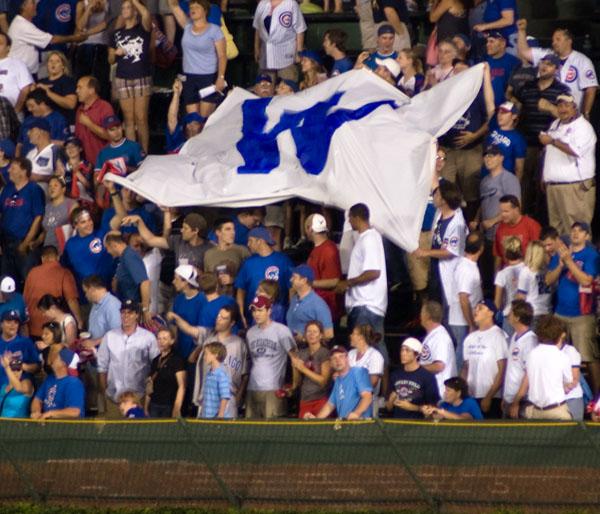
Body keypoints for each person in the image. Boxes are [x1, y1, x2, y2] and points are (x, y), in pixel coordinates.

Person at [546, 222, 600, 395]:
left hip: (582, 315)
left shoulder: (591, 255)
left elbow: (586, 280)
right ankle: (558, 394)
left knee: (588, 357)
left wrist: (569, 262)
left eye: (580, 231)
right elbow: (548, 280)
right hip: (560, 313)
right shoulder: (561, 252)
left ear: (587, 236)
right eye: (573, 230)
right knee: (555, 353)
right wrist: (561, 264)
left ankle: (596, 399)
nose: (575, 233)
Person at [513, 53, 570, 214]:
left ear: (556, 69)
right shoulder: (527, 86)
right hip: (527, 144)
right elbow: (515, 103)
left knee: (544, 190)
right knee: (524, 186)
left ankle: (541, 227)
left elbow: (569, 118)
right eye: (542, 63)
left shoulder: (562, 90)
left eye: (549, 64)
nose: (544, 66)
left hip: (550, 148)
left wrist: (551, 108)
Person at [169, 304, 248, 419]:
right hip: (207, 398)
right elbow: (190, 329)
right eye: (218, 315)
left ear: (232, 323)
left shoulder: (239, 344)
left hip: (229, 400)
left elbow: (245, 374)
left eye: (223, 317)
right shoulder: (208, 335)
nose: (218, 319)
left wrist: (238, 398)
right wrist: (176, 318)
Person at [540, 94, 596, 236]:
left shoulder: (583, 127)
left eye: (566, 105)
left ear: (574, 107)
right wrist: (544, 177)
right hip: (554, 187)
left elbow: (575, 151)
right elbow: (550, 153)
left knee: (577, 232)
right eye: (559, 105)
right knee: (557, 233)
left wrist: (553, 141)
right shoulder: (555, 124)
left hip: (574, 187)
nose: (562, 109)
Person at [516, 20, 597, 116]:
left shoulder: (582, 61)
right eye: (553, 40)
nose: (554, 43)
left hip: (570, 114)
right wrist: (521, 31)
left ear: (569, 41)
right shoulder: (546, 54)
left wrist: (586, 113)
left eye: (558, 39)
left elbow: (590, 89)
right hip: (544, 113)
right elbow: (523, 51)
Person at [97, 299, 159, 418]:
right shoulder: (109, 336)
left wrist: (148, 393)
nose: (126, 316)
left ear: (137, 315)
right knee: (113, 433)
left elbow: (156, 365)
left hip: (138, 398)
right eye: (123, 312)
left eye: (129, 313)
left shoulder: (148, 338)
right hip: (114, 398)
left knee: (136, 434)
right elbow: (102, 368)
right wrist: (104, 392)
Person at [338, 204, 387, 346]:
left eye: (350, 219)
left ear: (356, 217)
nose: (349, 222)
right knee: (372, 347)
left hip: (366, 304)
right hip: (366, 304)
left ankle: (380, 369)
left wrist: (348, 283)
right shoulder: (367, 238)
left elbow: (373, 272)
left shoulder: (369, 239)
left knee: (368, 347)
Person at [109, 0, 153, 153]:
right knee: (128, 119)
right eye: (123, 7)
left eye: (128, 7)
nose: (124, 10)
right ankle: (133, 154)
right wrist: (116, 53)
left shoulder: (143, 29)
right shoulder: (116, 33)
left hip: (141, 75)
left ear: (135, 11)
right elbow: (110, 59)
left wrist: (135, 2)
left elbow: (146, 14)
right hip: (123, 77)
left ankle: (145, 152)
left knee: (141, 118)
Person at [510, 314, 573, 420]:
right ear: (558, 335)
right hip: (557, 412)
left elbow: (527, 380)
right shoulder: (562, 357)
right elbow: (569, 382)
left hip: (535, 412)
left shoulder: (531, 354)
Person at [169, 0, 226, 118]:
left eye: (196, 7)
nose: (192, 10)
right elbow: (173, 5)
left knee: (204, 120)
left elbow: (222, 56)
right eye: (191, 7)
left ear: (205, 11)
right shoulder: (187, 26)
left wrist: (221, 77)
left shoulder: (214, 30)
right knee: (192, 121)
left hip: (207, 77)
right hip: (189, 78)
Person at [415, 180, 466, 307]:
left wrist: (425, 252)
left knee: (446, 309)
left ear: (444, 200)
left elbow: (451, 252)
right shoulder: (439, 214)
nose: (433, 197)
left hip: (449, 273)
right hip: (436, 270)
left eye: (437, 195)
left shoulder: (457, 224)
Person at [245, 295, 296, 419]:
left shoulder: (282, 331)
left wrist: (294, 385)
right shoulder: (250, 333)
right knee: (250, 430)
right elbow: (252, 361)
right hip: (252, 388)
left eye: (260, 310)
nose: (256, 314)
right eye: (254, 310)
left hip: (274, 389)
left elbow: (295, 359)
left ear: (269, 311)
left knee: (272, 430)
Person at [8, 0, 86, 76]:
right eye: (32, 2)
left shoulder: (23, 23)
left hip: (25, 71)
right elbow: (52, 39)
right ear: (23, 6)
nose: (35, 4)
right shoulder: (22, 25)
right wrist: (75, 38)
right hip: (20, 74)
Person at [0, 157, 45, 288]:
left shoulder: (34, 189)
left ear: (24, 171)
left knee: (29, 281)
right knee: (6, 282)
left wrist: (26, 243)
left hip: (24, 244)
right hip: (6, 243)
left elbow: (38, 218)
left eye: (13, 168)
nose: (9, 171)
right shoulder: (7, 189)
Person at [234, 226, 293, 327]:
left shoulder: (283, 260)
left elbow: (292, 289)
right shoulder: (248, 263)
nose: (248, 244)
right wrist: (241, 314)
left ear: (260, 241)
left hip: (277, 317)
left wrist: (291, 313)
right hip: (253, 318)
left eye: (251, 241)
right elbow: (240, 291)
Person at [461, 300, 508, 418]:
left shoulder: (499, 336)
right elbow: (466, 368)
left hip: (491, 397)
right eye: (475, 308)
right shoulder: (469, 338)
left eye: (480, 308)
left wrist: (489, 397)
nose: (475, 310)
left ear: (491, 312)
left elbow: (502, 370)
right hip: (470, 397)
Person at [123, 211, 213, 272]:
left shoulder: (209, 248)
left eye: (185, 228)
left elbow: (212, 277)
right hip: (180, 293)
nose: (181, 230)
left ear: (195, 231)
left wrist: (196, 272)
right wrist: (139, 222)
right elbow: (151, 240)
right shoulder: (178, 241)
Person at [305, 345, 373, 420]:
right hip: (345, 425)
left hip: (361, 424)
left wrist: (356, 413)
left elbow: (367, 396)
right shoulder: (338, 380)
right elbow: (330, 405)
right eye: (334, 358)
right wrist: (316, 420)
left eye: (341, 356)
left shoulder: (358, 371)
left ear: (347, 358)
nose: (337, 360)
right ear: (331, 363)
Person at [448, 231, 484, 370]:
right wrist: (471, 324)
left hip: (463, 319)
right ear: (481, 248)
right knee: (463, 353)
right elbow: (463, 298)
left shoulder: (467, 265)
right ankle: (455, 385)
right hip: (462, 321)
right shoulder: (466, 268)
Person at [61, 206, 115, 295]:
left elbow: (120, 217)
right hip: (87, 295)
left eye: (89, 220)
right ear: (75, 225)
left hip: (108, 289)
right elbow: (65, 267)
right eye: (83, 222)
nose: (88, 224)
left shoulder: (101, 234)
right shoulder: (70, 244)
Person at [253, 0, 306, 82]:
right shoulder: (262, 4)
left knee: (287, 86)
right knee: (266, 84)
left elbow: (300, 29)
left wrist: (298, 52)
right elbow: (257, 28)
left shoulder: (291, 4)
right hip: (266, 52)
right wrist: (256, 48)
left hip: (286, 52)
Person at [386, 338, 440, 419]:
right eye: (402, 350)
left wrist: (413, 407)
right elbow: (388, 408)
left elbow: (432, 408)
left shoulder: (427, 377)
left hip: (417, 424)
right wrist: (391, 400)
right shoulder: (395, 375)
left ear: (417, 354)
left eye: (407, 350)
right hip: (397, 423)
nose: (403, 353)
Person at [104, 232, 152, 321]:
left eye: (107, 248)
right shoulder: (124, 257)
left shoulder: (129, 256)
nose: (108, 252)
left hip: (135, 309)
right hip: (128, 308)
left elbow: (145, 282)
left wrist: (145, 310)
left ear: (113, 245)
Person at [305, 213, 342, 324]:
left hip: (327, 309)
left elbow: (334, 281)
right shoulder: (318, 249)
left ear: (310, 229)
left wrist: (308, 283)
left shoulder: (328, 250)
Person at [502, 299, 537, 417]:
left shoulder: (530, 341)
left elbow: (529, 374)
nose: (508, 315)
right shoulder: (514, 336)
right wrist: (506, 397)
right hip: (510, 399)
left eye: (511, 312)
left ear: (517, 317)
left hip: (522, 402)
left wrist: (516, 401)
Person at [31, 344, 85, 419]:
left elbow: (75, 411)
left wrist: (50, 414)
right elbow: (37, 400)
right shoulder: (49, 379)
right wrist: (36, 412)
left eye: (55, 356)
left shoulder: (73, 383)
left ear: (63, 362)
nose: (51, 358)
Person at [290, 320, 331, 418]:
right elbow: (297, 383)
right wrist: (294, 366)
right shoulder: (301, 353)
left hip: (320, 400)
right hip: (305, 400)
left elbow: (323, 381)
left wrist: (303, 368)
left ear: (321, 335)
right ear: (305, 335)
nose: (311, 334)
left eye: (315, 332)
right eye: (309, 331)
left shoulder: (325, 353)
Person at [145, 327, 186, 417]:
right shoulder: (155, 360)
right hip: (154, 403)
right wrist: (146, 406)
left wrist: (176, 408)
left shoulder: (177, 360)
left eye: (165, 339)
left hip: (168, 405)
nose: (161, 341)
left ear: (172, 341)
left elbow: (182, 386)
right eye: (159, 339)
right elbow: (150, 383)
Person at [286, 264, 333, 342]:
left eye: (294, 277)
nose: (291, 280)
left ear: (304, 280)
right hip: (292, 348)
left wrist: (305, 338)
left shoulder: (318, 304)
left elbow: (329, 334)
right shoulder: (294, 299)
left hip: (307, 350)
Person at [74, 75, 114, 165]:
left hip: (103, 163)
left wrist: (89, 124)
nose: (76, 91)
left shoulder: (105, 107)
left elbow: (110, 135)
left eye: (80, 87)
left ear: (91, 90)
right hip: (84, 165)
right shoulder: (79, 110)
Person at [420, 300, 457, 395]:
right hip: (432, 389)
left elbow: (439, 366)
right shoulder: (434, 335)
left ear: (427, 315)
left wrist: (417, 368)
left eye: (422, 312)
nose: (420, 316)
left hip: (440, 392)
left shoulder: (440, 337)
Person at [493, 195, 540, 269]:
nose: (503, 215)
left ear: (516, 210)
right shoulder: (500, 228)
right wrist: (496, 277)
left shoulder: (531, 225)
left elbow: (538, 253)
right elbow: (498, 256)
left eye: (506, 211)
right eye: (501, 211)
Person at [170, 263, 205, 361]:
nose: (173, 282)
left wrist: (196, 352)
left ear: (185, 282)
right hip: (180, 351)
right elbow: (175, 327)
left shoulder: (203, 300)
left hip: (196, 353)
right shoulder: (178, 299)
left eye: (176, 279)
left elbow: (206, 332)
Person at [484, 101, 526, 179]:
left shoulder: (518, 138)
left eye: (504, 112)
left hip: (504, 180)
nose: (500, 115)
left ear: (514, 116)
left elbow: (519, 167)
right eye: (499, 112)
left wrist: (515, 187)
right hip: (487, 178)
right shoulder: (492, 131)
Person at [36, 176, 78, 250]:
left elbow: (75, 229)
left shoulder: (72, 204)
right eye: (50, 186)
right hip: (48, 250)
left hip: (64, 249)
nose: (52, 188)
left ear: (63, 189)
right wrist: (36, 243)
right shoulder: (46, 207)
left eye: (55, 185)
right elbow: (46, 232)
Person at [36, 50, 78, 125]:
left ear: (63, 66)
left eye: (57, 61)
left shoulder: (68, 81)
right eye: (50, 61)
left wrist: (48, 93)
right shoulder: (41, 82)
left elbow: (71, 104)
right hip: (44, 124)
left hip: (63, 124)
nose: (53, 63)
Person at [493, 236, 524, 335]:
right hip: (526, 313)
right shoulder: (528, 269)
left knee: (510, 348)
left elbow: (497, 303)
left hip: (509, 316)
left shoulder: (502, 274)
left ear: (505, 254)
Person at [348, 324, 385, 408]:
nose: (350, 336)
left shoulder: (375, 355)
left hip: (367, 403)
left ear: (361, 337)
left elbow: (372, 382)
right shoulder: (350, 353)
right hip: (349, 400)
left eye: (353, 333)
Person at [516, 241, 552, 321]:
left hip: (546, 312)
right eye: (544, 253)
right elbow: (521, 296)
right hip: (533, 313)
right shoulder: (526, 271)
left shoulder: (546, 270)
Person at [82, 274, 121, 346]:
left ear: (92, 289)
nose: (85, 295)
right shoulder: (95, 304)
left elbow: (118, 333)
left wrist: (94, 342)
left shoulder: (112, 305)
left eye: (86, 291)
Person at [0, 30, 33, 112]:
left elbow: (25, 90)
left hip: (10, 114)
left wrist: (16, 111)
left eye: (0, 43)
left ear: (8, 47)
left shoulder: (18, 64)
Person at [485, 31, 519, 107]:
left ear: (503, 44)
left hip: (505, 110)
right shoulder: (484, 62)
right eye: (487, 41)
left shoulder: (514, 63)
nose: (487, 44)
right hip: (486, 109)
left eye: (491, 41)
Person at [200, 341, 231, 418]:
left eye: (206, 354)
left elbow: (225, 397)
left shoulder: (221, 374)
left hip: (216, 418)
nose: (204, 357)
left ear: (215, 355)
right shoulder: (209, 374)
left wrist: (220, 415)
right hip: (206, 416)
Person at [0, 352, 33, 417]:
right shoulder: (4, 387)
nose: (16, 372)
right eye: (13, 369)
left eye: (18, 369)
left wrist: (7, 367)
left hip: (18, 425)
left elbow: (19, 388)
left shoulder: (27, 383)